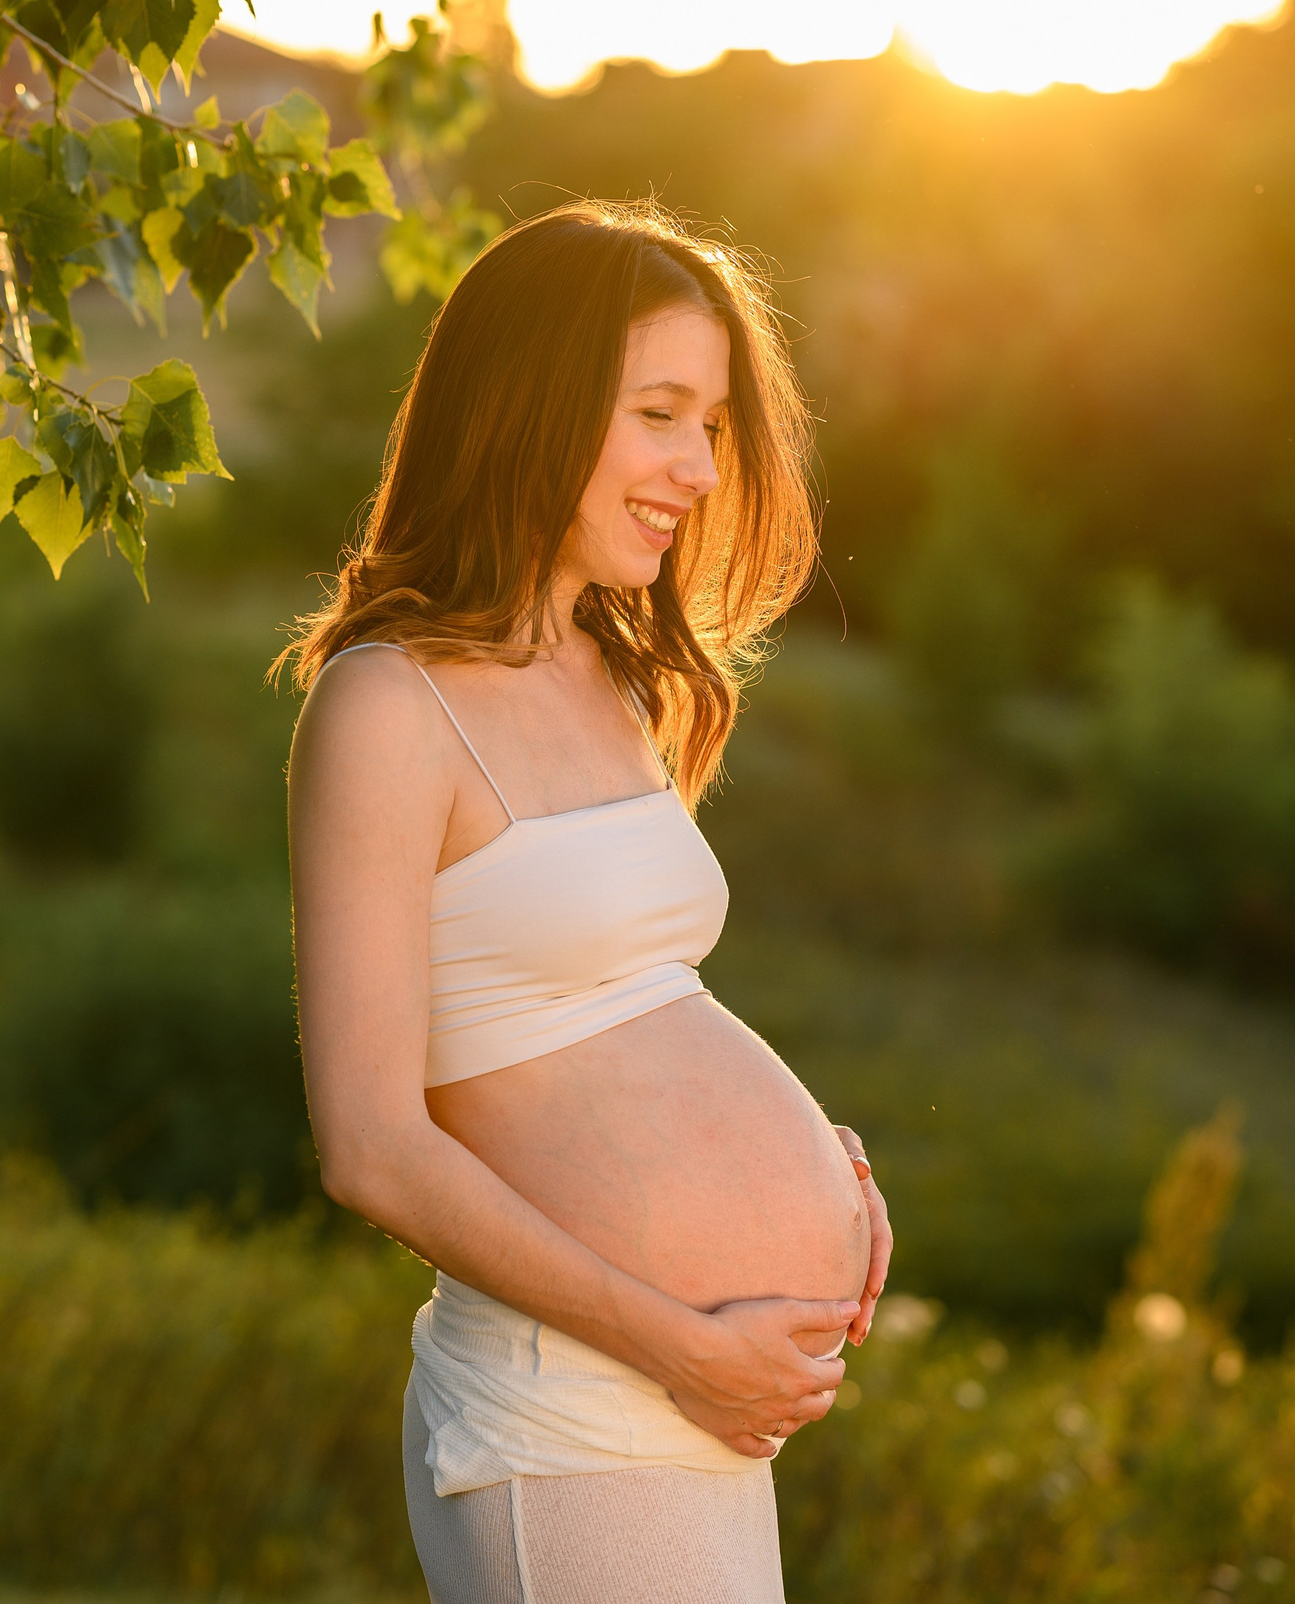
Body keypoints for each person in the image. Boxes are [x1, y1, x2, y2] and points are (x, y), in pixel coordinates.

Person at [280, 199, 893, 1603]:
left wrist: (817, 1167)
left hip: (692, 1410)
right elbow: (371, 1148)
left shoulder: (611, 673)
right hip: (575, 1402)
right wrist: (684, 1341)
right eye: (661, 413)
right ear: (530, 408)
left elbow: (615, 1007)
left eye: (716, 424)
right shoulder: (390, 703)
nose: (697, 465)